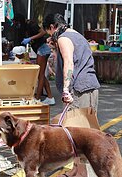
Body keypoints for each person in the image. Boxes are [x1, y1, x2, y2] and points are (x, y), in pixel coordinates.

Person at [42, 13, 101, 177]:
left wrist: (66, 89)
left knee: (78, 133)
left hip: (79, 88)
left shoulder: (63, 38)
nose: (50, 35)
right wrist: (54, 51)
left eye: (48, 32)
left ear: (53, 27)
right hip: (88, 86)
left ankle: (81, 173)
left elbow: (68, 62)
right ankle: (77, 169)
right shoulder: (76, 35)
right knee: (80, 132)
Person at [21, 20, 55, 105]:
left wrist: (30, 38)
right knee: (42, 74)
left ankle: (37, 98)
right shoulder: (27, 28)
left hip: (43, 49)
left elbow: (43, 32)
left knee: (40, 75)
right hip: (42, 49)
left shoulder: (32, 25)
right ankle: (50, 97)